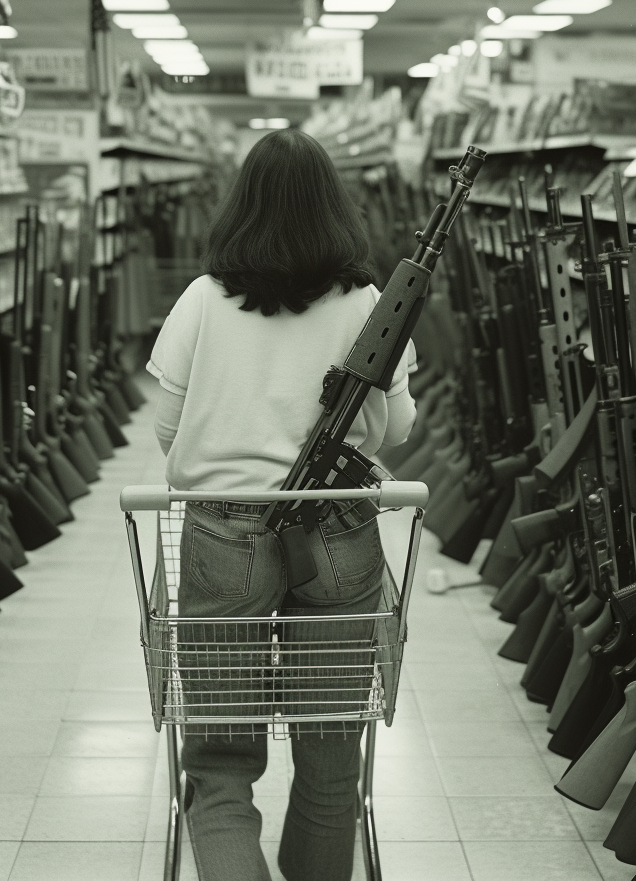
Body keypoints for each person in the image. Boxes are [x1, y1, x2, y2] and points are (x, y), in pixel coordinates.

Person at [147, 128, 417, 881]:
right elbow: (394, 427)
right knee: (332, 759)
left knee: (221, 763)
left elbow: (168, 423)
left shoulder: (203, 298)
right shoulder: (369, 302)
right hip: (339, 535)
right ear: (333, 207)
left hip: (222, 538)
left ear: (242, 206)